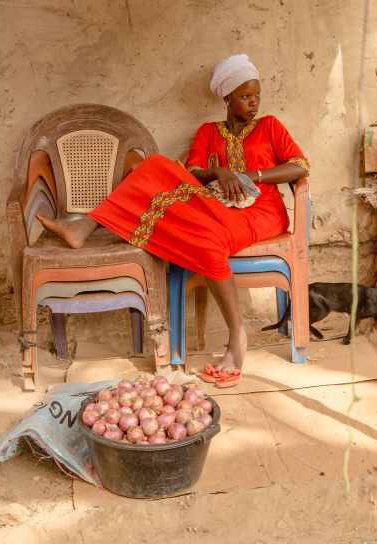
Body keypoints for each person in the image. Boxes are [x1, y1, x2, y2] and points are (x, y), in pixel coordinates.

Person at [37, 54, 310, 387]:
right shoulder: (209, 132)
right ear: (226, 97)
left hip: (262, 211)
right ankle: (84, 226)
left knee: (209, 246)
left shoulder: (270, 126)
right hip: (214, 205)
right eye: (245, 96)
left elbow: (299, 166)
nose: (253, 103)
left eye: (256, 95)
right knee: (154, 166)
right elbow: (192, 173)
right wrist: (220, 172)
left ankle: (237, 339)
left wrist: (250, 174)